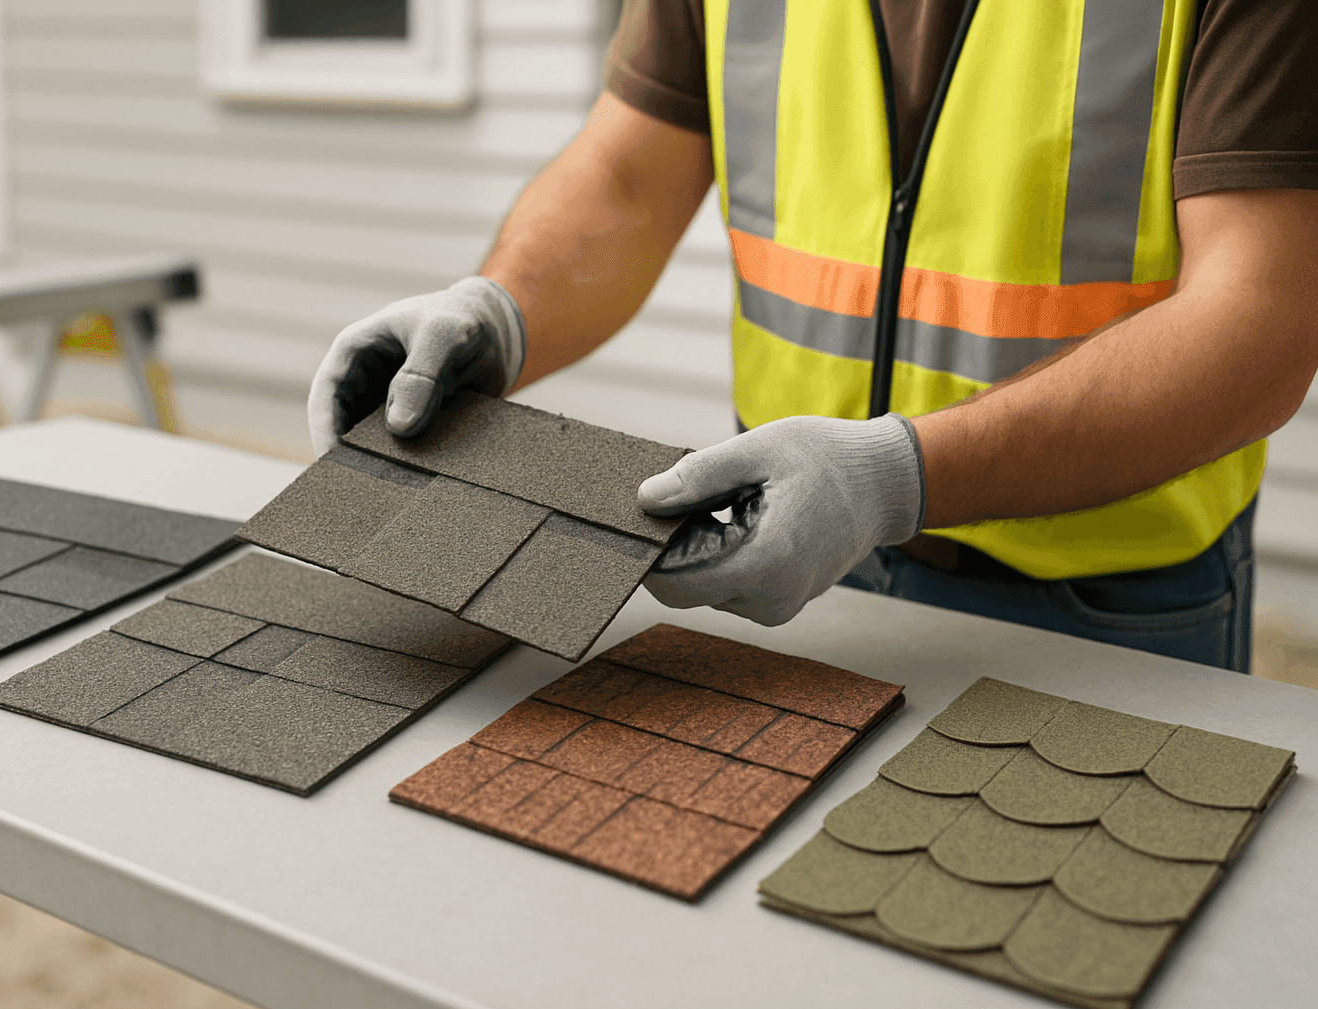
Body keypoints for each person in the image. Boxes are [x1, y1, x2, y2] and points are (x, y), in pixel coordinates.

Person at [306, 0, 1318, 672]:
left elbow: (1262, 319)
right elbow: (627, 175)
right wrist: (500, 312)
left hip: (1105, 602)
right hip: (788, 554)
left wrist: (888, 477)